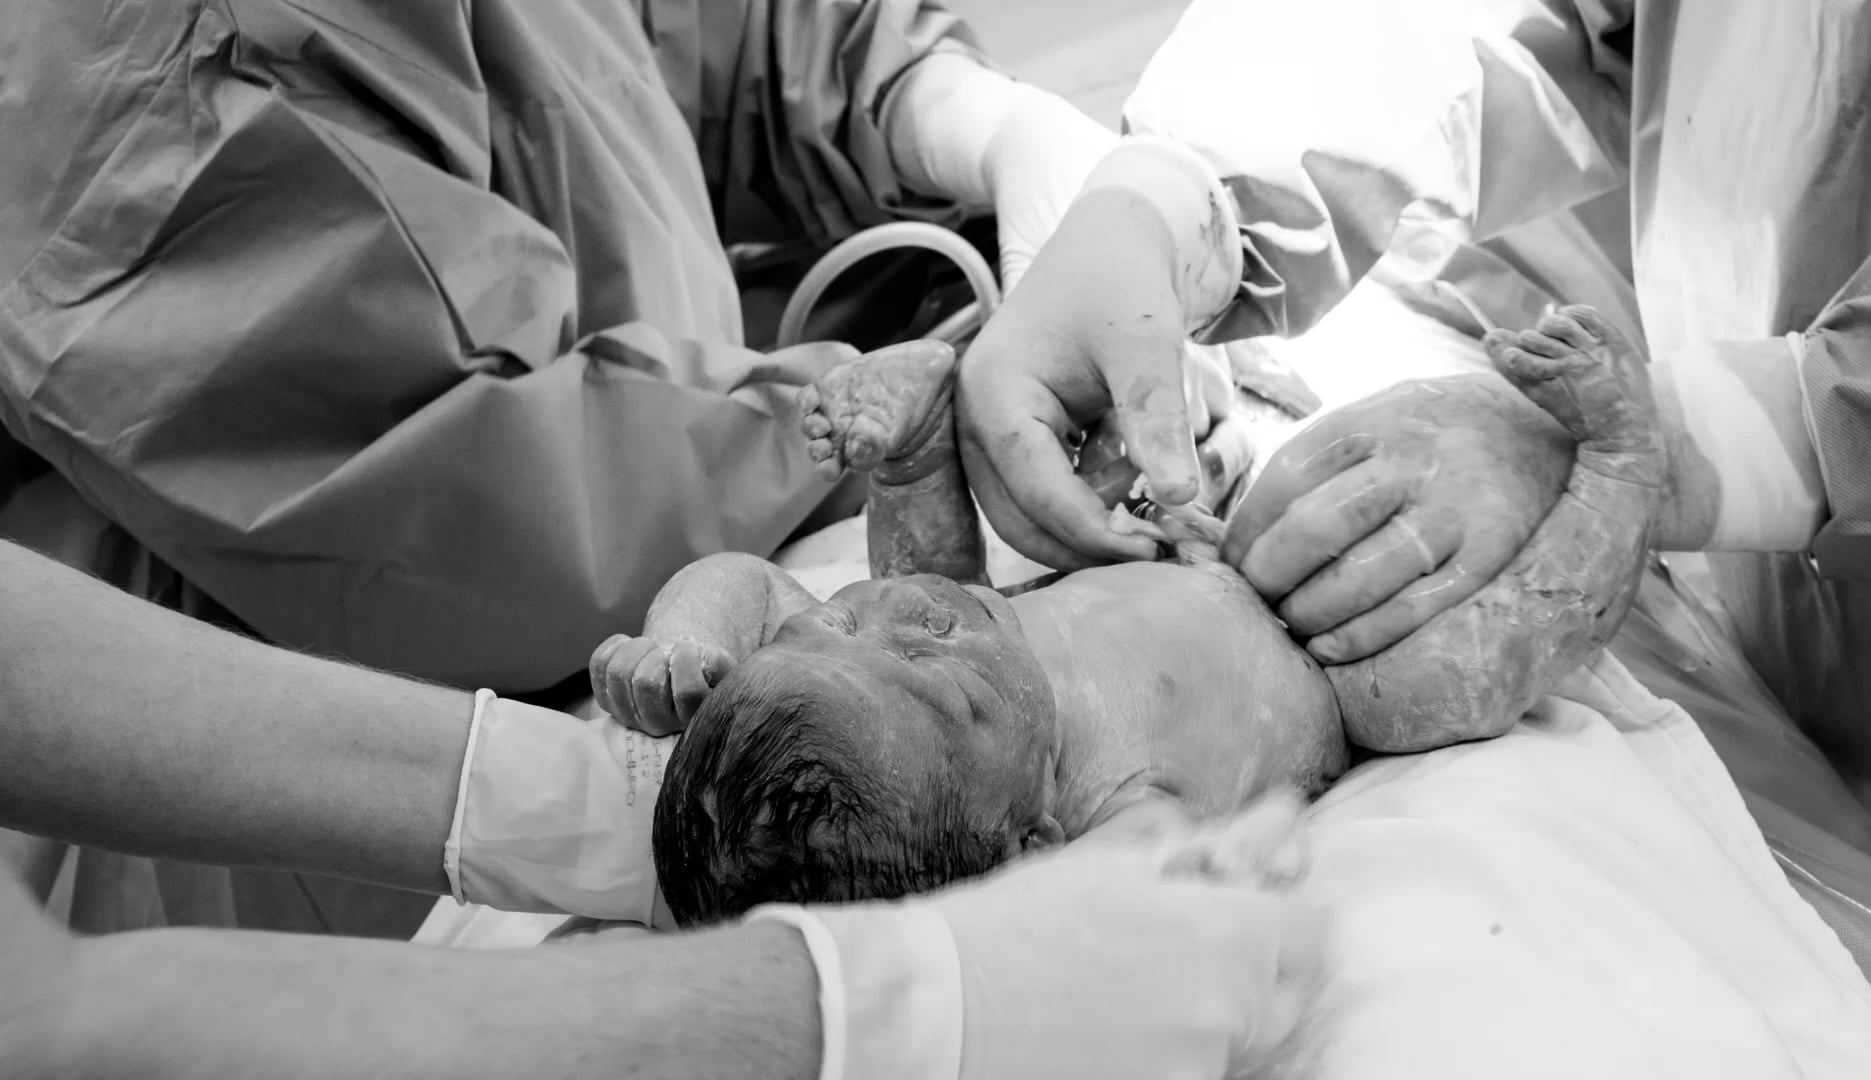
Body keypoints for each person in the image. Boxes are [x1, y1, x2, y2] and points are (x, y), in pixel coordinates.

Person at [0, 0, 1117, 932]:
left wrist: (943, 111)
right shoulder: (134, 63)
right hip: (352, 769)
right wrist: (867, 415)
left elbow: (644, 44)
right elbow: (474, 499)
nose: (903, 624)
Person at [954, 0, 1871, 864]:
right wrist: (1176, 199)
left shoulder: (1396, 689)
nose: (889, 625)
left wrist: (1702, 441)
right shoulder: (1369, 713)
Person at [0, 537, 1322, 1080]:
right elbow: (51, 1029)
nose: (904, 622)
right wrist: (857, 1004)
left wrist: (557, 795)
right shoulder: (1070, 810)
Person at [585, 294, 1662, 925]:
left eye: (829, 626)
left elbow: (749, 574)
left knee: (957, 561)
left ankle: (911, 444)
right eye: (928, 671)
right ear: (1026, 842)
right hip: (1333, 672)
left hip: (1195, 541)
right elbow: (1145, 910)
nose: (898, 613)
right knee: (1456, 679)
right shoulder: (1105, 821)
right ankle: (1622, 463)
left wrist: (687, 639)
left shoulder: (928, 640)